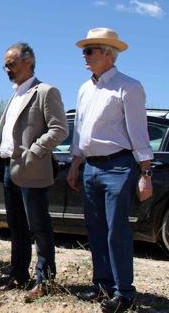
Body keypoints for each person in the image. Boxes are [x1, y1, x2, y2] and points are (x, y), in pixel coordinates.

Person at [66, 28, 153, 313]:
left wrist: (145, 173)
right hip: (90, 167)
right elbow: (79, 131)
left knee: (117, 232)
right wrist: (75, 163)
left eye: (90, 50)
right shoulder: (83, 88)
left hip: (118, 167)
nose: (84, 56)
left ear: (108, 54)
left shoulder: (129, 87)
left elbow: (139, 132)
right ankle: (102, 285)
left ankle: (124, 292)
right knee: (95, 230)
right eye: (85, 50)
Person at [0, 42, 68, 302]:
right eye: (5, 65)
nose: (7, 69)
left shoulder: (45, 91)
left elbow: (59, 129)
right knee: (17, 226)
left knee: (39, 226)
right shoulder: (14, 94)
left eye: (11, 64)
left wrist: (34, 151)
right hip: (9, 168)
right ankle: (18, 274)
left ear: (29, 61)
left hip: (31, 168)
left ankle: (45, 279)